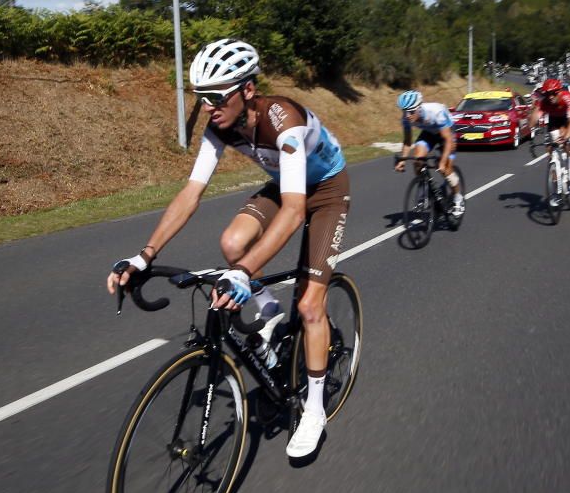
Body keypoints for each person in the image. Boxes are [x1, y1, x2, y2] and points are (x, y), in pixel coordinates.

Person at [106, 38, 350, 459]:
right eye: (201, 98)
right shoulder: (218, 125)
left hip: (325, 189)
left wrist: (244, 273)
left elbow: (294, 213)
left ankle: (313, 411)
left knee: (311, 306)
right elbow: (191, 193)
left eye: (217, 96)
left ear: (248, 90)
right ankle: (271, 312)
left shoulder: (283, 121)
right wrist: (144, 255)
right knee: (231, 242)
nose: (208, 107)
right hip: (285, 182)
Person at [393, 90, 465, 217]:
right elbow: (408, 141)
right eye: (404, 111)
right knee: (417, 160)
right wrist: (403, 160)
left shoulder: (436, 112)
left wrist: (442, 162)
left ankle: (458, 198)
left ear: (419, 108)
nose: (407, 115)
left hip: (446, 133)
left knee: (445, 168)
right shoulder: (406, 118)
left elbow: (448, 139)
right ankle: (424, 190)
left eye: (411, 111)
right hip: (429, 133)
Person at [528, 78, 570, 194]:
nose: (550, 97)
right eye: (547, 94)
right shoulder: (544, 101)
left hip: (568, 118)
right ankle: (556, 175)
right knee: (552, 144)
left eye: (553, 94)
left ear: (559, 91)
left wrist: (566, 137)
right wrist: (536, 108)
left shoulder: (567, 97)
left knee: (566, 140)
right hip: (554, 118)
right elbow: (532, 122)